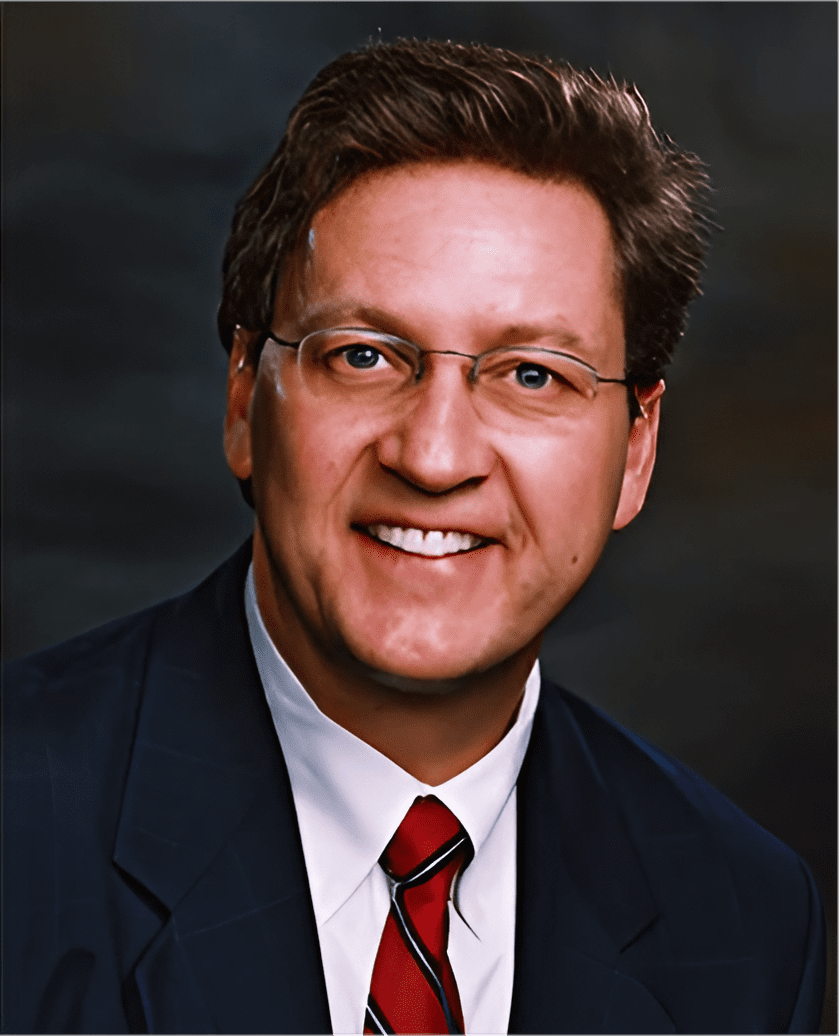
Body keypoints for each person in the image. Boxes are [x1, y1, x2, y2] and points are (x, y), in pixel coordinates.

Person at [4, 39, 826, 1036]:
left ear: (636, 447)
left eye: (531, 374)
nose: (434, 456)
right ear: (241, 398)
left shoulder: (739, 914)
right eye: (362, 355)